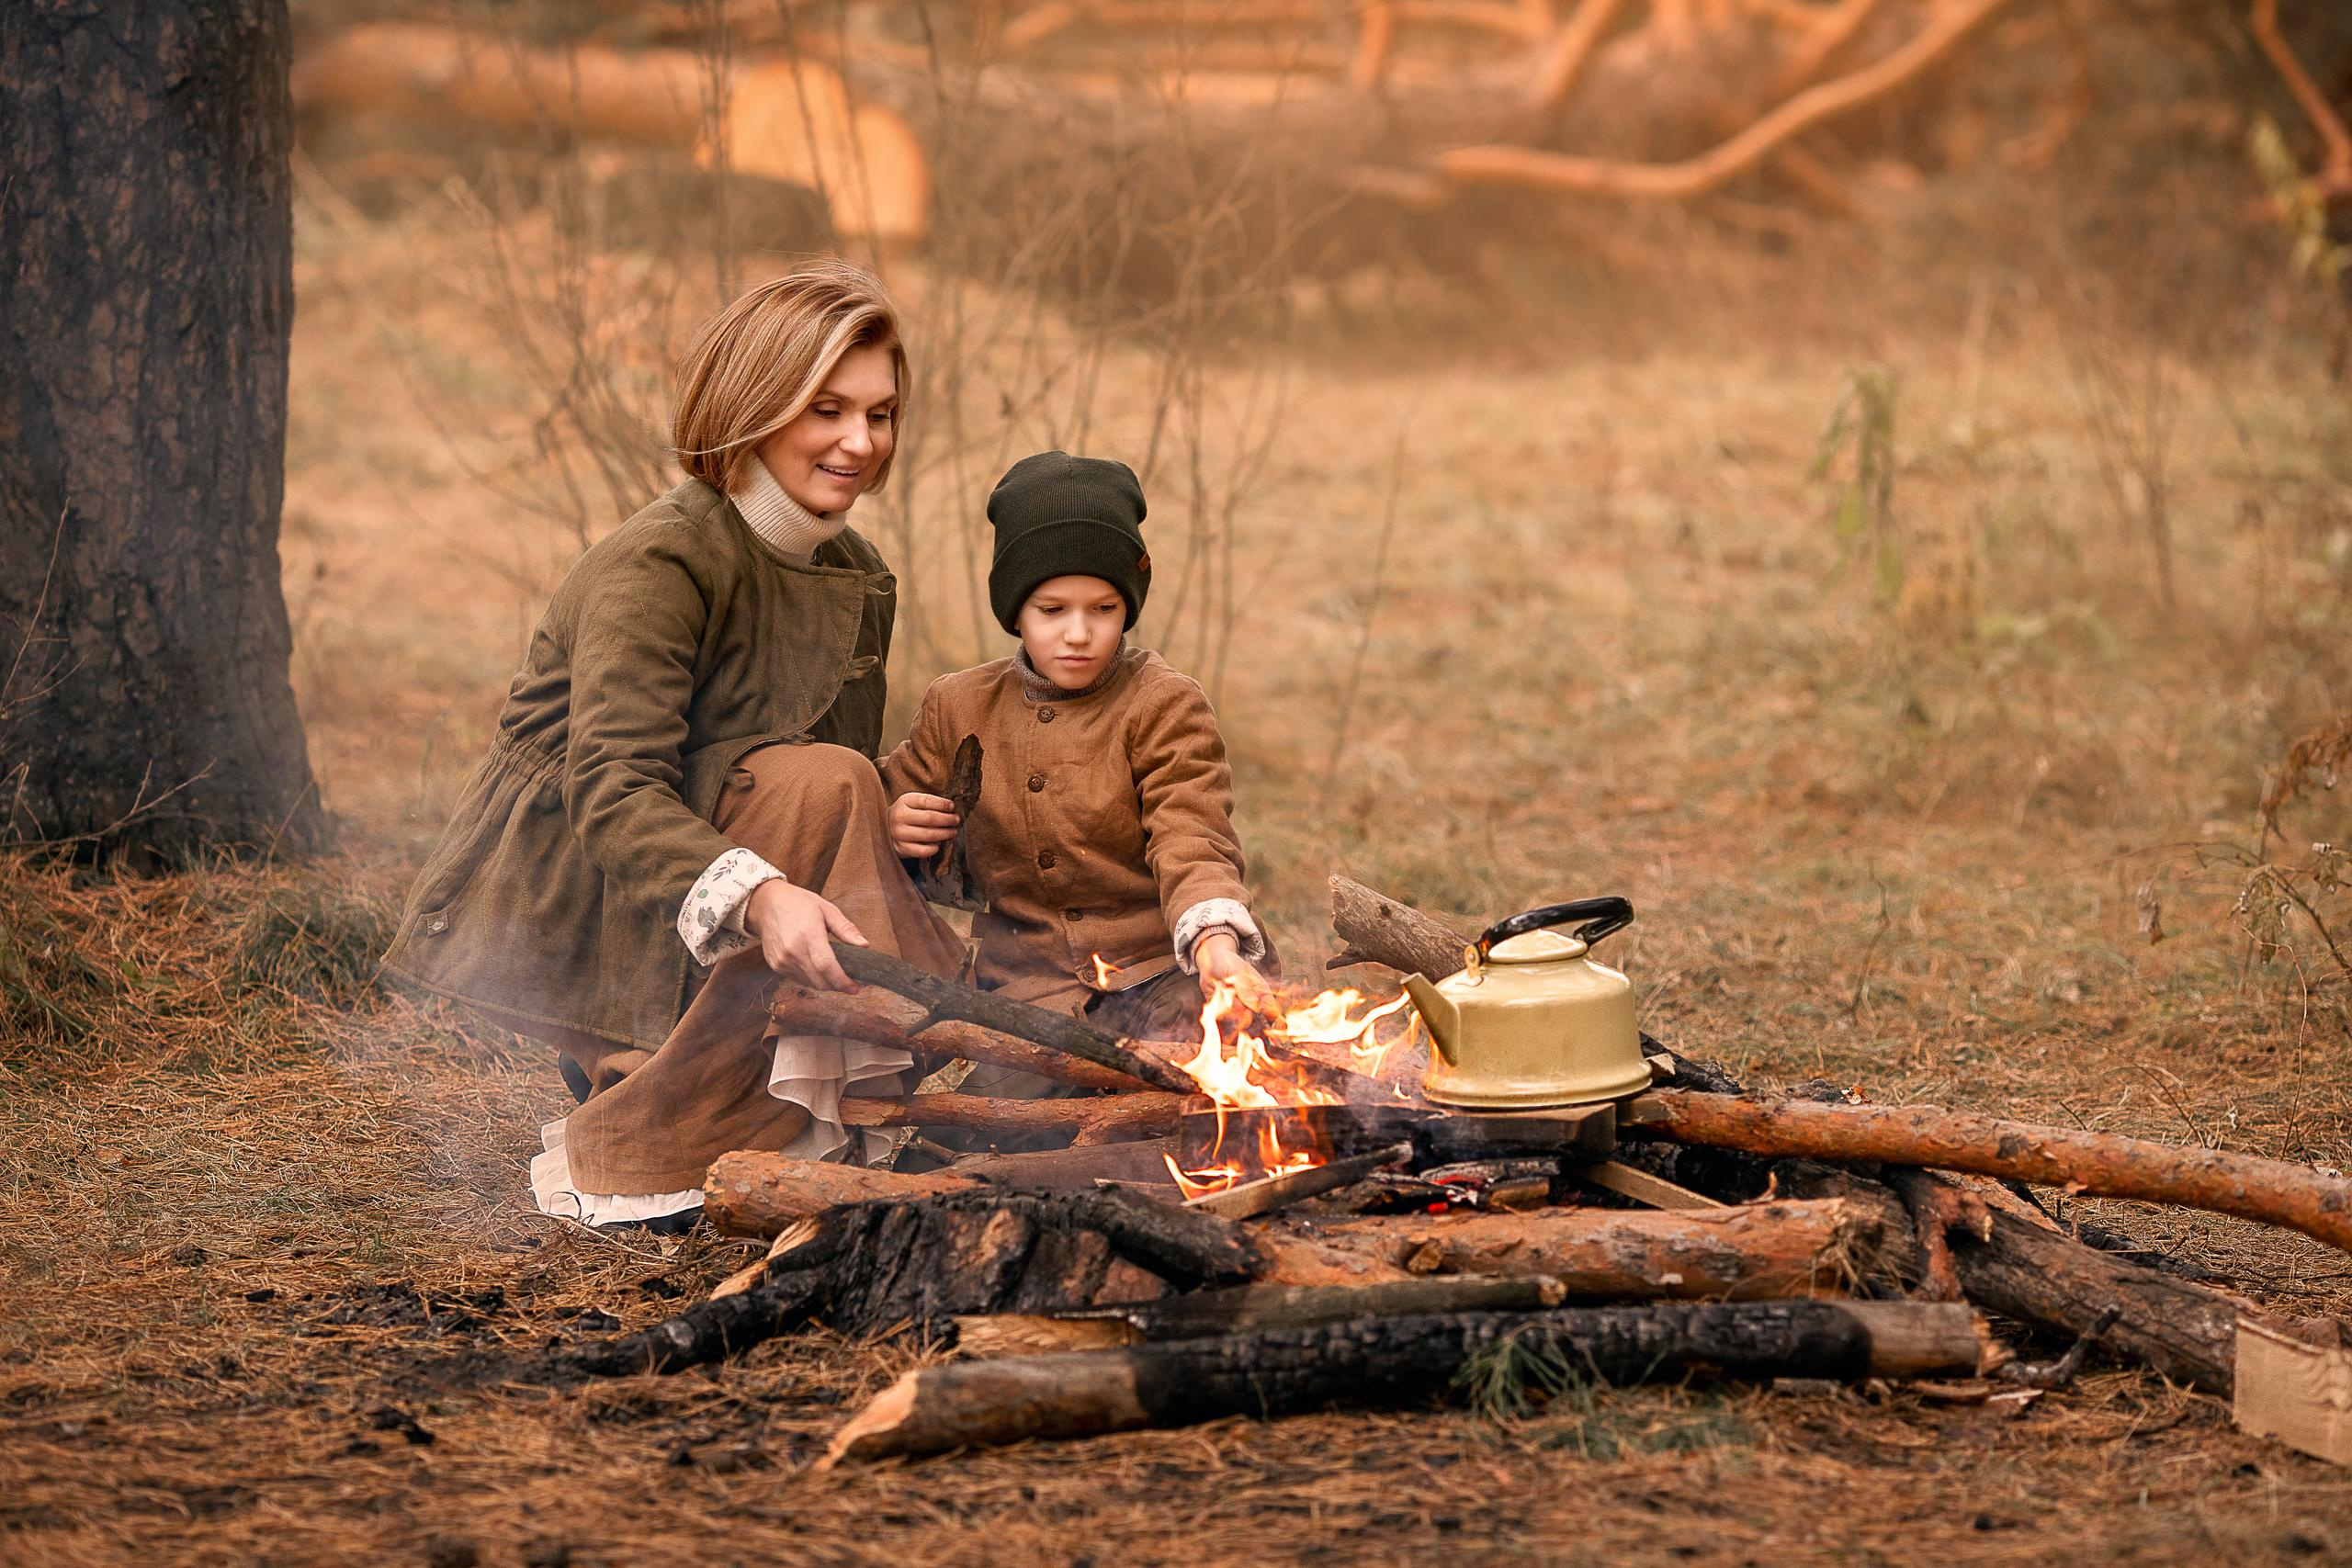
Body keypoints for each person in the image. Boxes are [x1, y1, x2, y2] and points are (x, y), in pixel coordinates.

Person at [379, 259, 966, 1228]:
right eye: (826, 409)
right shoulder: (662, 559)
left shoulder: (860, 572)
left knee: (838, 781)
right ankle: (636, 1097)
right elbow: (609, 787)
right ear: (756, 404)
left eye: (881, 413)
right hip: (578, 872)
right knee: (822, 785)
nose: (860, 442)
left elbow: (828, 765)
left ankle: (751, 1080)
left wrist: (888, 805)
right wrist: (767, 892)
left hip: (717, 841)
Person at [878, 450, 1274, 1070]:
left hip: (1160, 976)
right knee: (989, 1144)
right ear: (1015, 610)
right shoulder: (957, 706)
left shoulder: (1163, 703)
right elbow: (882, 811)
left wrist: (1214, 942)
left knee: (1205, 1097)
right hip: (1029, 994)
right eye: (1052, 609)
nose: (1079, 633)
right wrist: (896, 824)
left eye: (1104, 608)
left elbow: (1191, 834)